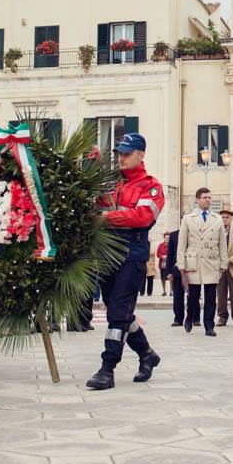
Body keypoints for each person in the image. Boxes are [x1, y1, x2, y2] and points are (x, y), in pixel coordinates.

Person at [85, 132, 164, 390]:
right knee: (119, 313)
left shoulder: (151, 186)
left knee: (118, 313)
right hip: (109, 255)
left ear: (141, 155)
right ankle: (147, 354)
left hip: (132, 256)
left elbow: (142, 216)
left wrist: (107, 218)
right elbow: (97, 205)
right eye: (119, 153)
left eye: (127, 153)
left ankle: (107, 368)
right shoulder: (112, 184)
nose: (121, 158)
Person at [178, 187, 223, 337]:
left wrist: (223, 264)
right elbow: (182, 243)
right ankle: (189, 317)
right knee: (193, 296)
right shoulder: (188, 218)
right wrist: (181, 265)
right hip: (194, 261)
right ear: (197, 200)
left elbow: (222, 243)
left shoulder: (217, 219)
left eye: (210, 197)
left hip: (211, 261)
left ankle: (209, 325)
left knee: (211, 296)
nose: (208, 200)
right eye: (205, 197)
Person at [216, 207, 233, 327]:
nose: (225, 219)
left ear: (231, 218)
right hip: (220, 267)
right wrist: (221, 261)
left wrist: (231, 260)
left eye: (227, 217)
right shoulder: (215, 231)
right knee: (221, 293)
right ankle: (222, 317)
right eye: (222, 217)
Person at [163, 228, 183, 328]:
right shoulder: (174, 235)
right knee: (178, 295)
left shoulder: (194, 233)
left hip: (191, 269)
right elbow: (170, 254)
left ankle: (194, 317)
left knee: (194, 295)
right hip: (176, 269)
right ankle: (178, 319)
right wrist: (169, 272)